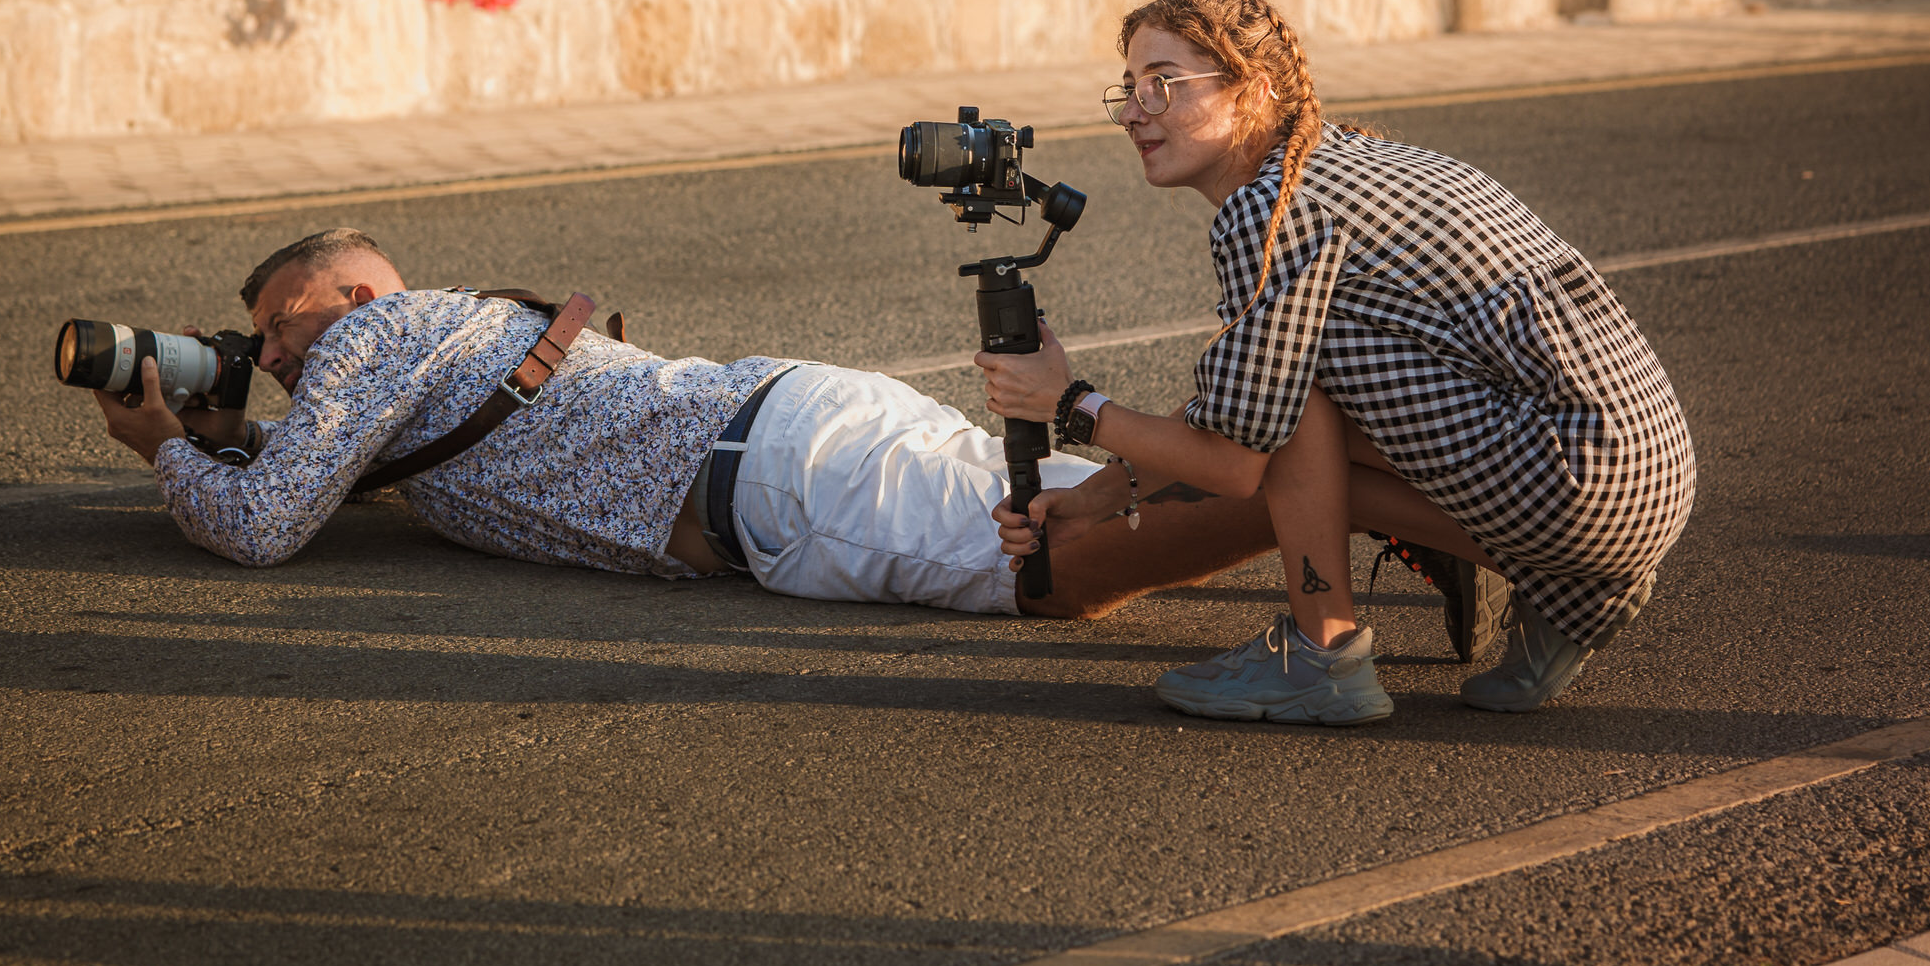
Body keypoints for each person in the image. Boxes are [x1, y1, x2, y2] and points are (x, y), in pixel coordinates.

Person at [88, 226, 1494, 632]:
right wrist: (229, 427)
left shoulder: (382, 332)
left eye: (282, 325)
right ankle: (1444, 505)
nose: (271, 355)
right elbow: (311, 478)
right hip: (804, 431)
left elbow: (269, 530)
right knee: (1103, 495)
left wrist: (159, 445)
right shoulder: (431, 345)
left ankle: (1396, 511)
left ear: (355, 289)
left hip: (786, 485)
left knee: (1048, 570)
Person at [986, 0, 1695, 719]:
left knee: (1293, 410)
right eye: (1129, 89)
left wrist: (1070, 404)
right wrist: (1092, 503)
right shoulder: (1345, 158)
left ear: (1253, 93)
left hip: (1574, 480)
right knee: (1281, 396)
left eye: (1163, 84)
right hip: (1641, 480)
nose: (1135, 111)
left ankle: (1322, 652)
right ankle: (1567, 592)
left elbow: (1235, 457)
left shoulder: (1272, 208)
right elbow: (1236, 402)